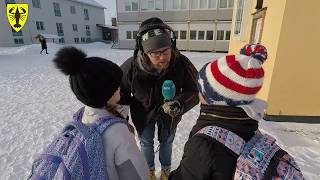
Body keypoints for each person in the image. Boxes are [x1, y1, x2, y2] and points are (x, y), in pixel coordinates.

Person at [169, 44, 304, 180]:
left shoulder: (204, 146)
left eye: (201, 87)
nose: (198, 92)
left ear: (215, 97)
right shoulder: (248, 126)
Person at [119, 17, 199, 180]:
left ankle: (166, 171)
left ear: (172, 46)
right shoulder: (131, 68)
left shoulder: (182, 63)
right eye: (155, 53)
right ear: (144, 51)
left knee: (167, 142)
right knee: (146, 143)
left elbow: (196, 89)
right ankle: (148, 172)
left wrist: (180, 103)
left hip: (170, 115)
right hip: (143, 115)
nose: (162, 57)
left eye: (166, 51)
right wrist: (123, 121)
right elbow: (121, 96)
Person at [52, 47, 149, 180]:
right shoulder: (118, 132)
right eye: (115, 86)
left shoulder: (80, 118)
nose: (120, 88)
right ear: (103, 94)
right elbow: (136, 175)